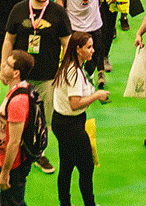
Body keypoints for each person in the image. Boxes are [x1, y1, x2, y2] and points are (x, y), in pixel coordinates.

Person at [3, 0, 70, 173]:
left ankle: (38, 153)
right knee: (17, 116)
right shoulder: (18, 10)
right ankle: (18, 150)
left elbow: (67, 44)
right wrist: (4, 67)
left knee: (43, 118)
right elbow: (9, 40)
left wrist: (64, 70)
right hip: (20, 78)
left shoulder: (58, 12)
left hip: (48, 76)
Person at [53, 31, 107, 206]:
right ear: (78, 49)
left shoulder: (70, 66)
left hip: (62, 122)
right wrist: (96, 95)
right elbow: (75, 103)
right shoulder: (74, 72)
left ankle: (65, 203)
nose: (93, 50)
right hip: (71, 126)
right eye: (89, 47)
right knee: (86, 167)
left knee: (66, 165)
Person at [0, 50, 41, 206]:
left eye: (8, 64)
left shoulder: (17, 102)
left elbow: (14, 142)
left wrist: (5, 172)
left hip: (14, 163)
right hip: (9, 158)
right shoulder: (22, 88)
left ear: (16, 73)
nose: (3, 65)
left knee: (12, 202)